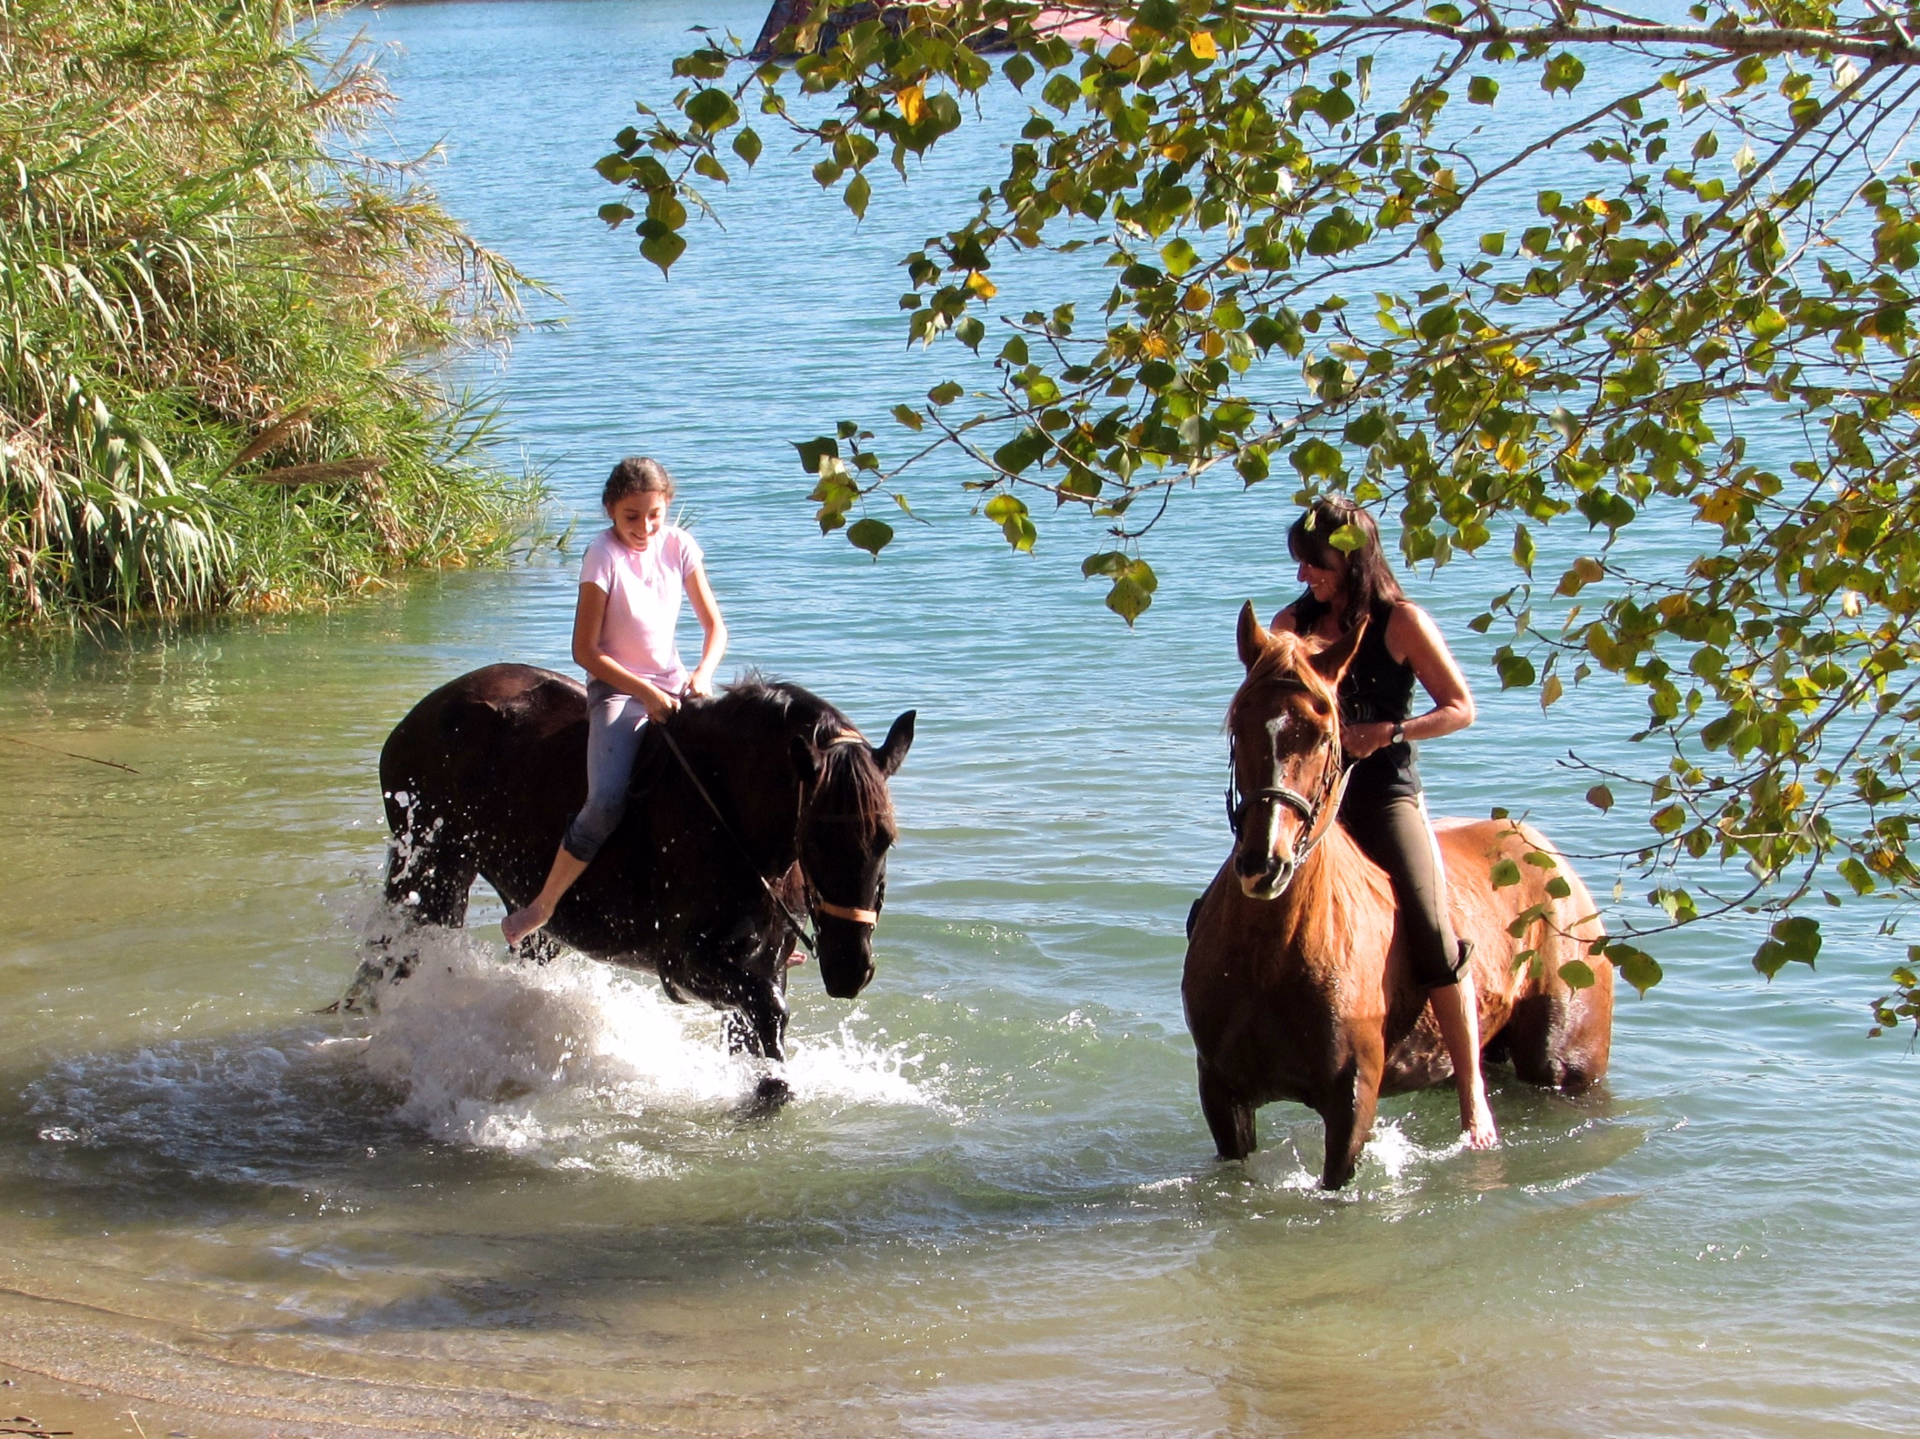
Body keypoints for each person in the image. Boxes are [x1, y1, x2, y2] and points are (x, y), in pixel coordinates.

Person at [1270, 496, 1498, 1149]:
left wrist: (1390, 730)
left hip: (1383, 792)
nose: (1303, 578)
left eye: (1314, 565)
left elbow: (1460, 708)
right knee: (1234, 893)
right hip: (1315, 794)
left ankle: (1472, 1094)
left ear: (1350, 557)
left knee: (1431, 928)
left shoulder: (1402, 623)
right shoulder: (1294, 623)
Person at [501, 457, 727, 947]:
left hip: (675, 683)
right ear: (610, 510)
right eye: (631, 517)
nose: (644, 528)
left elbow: (715, 629)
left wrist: (701, 675)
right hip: (618, 689)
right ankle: (543, 905)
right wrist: (646, 694)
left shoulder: (680, 545)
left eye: (654, 515)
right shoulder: (601, 555)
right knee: (605, 802)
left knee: (728, 783)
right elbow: (584, 651)